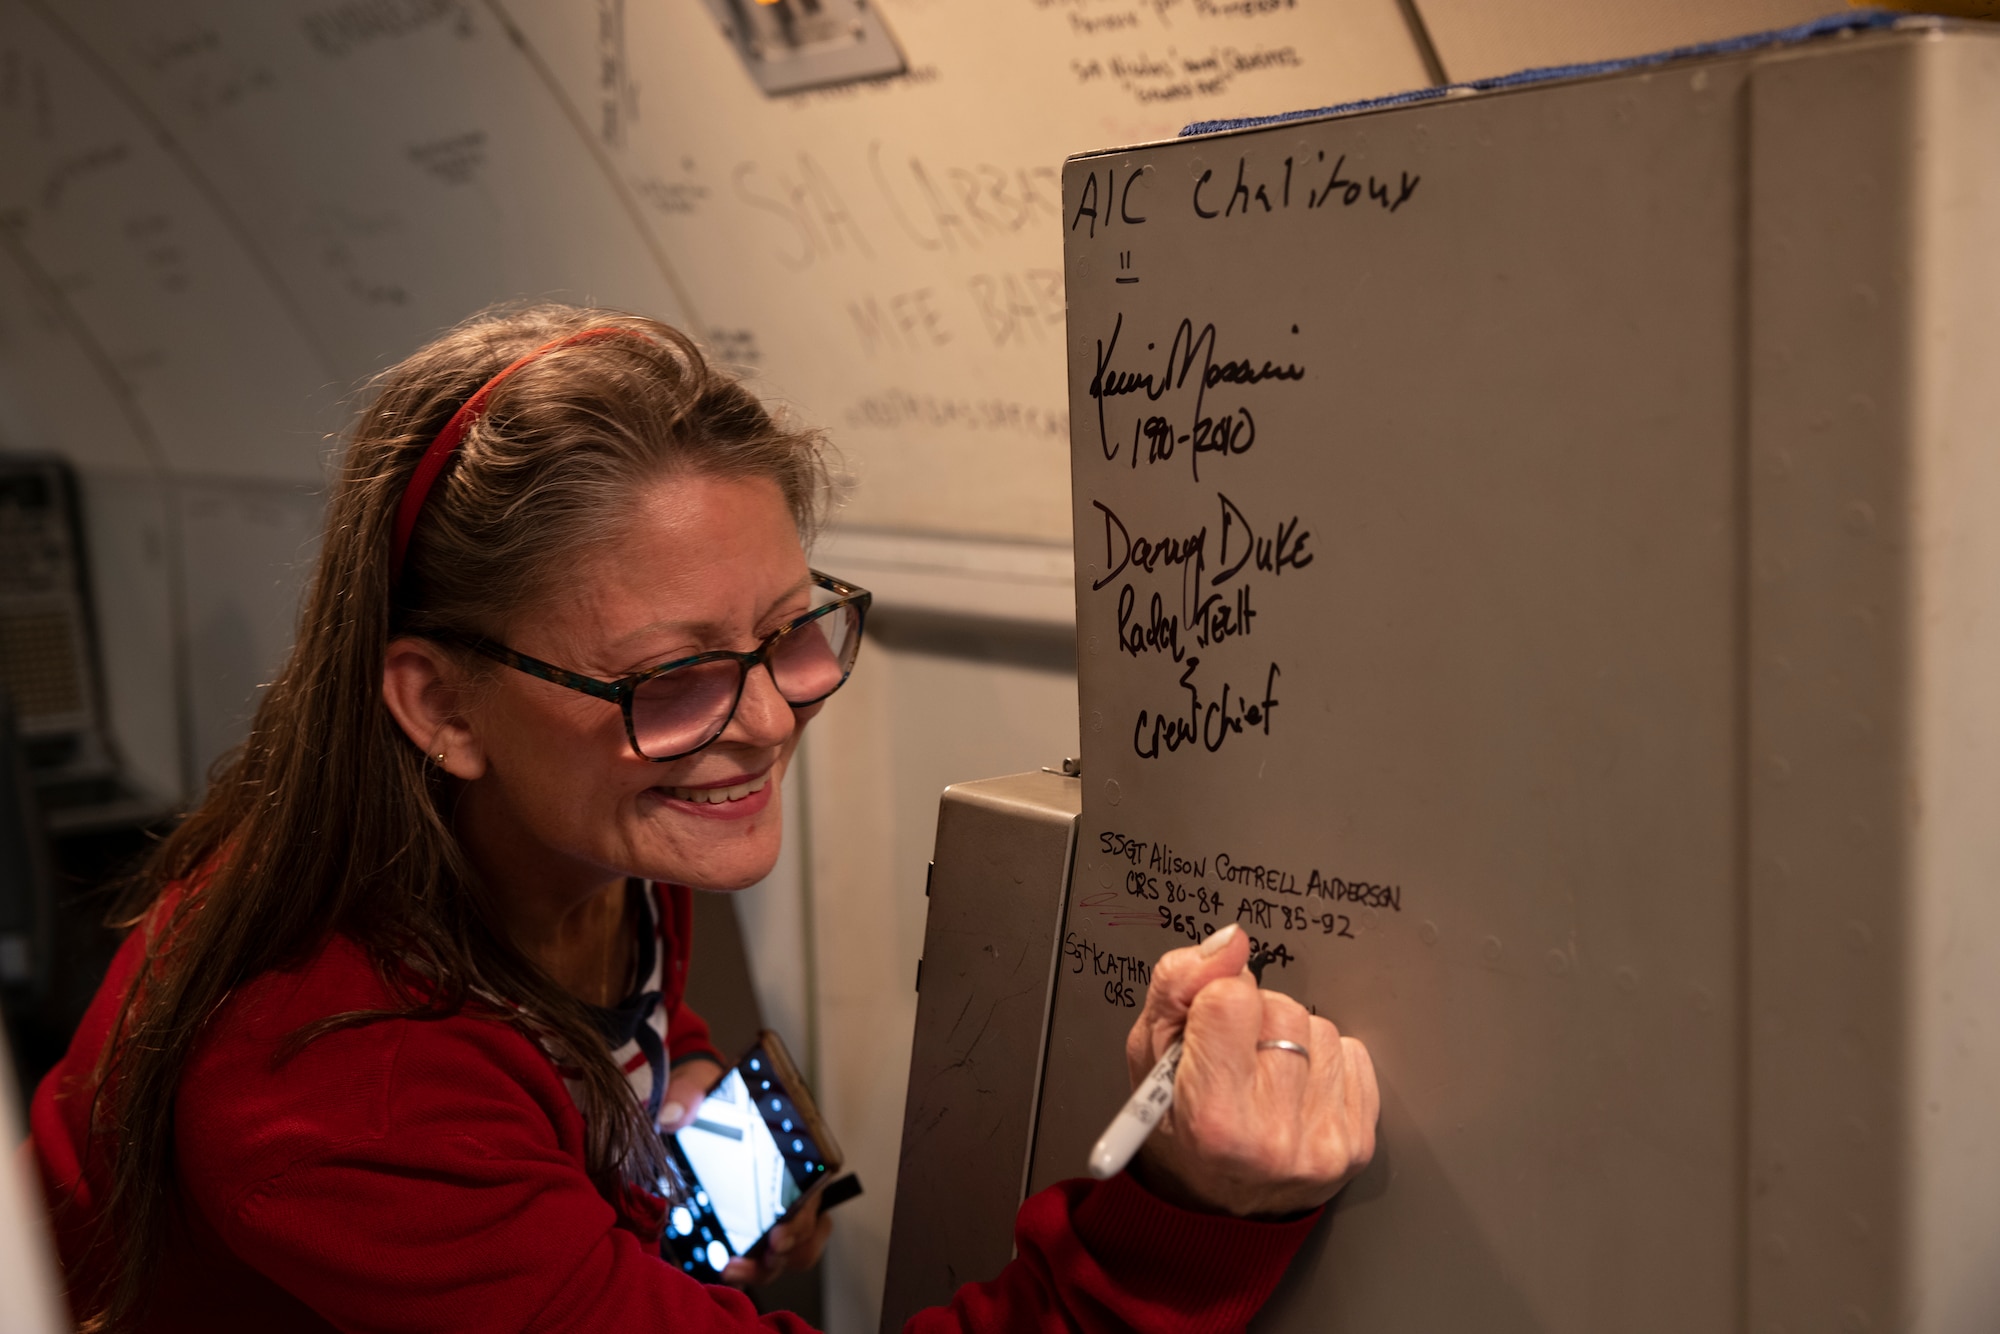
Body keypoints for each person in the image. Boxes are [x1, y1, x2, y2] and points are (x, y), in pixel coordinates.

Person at [30, 304, 1380, 1332]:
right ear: (440, 706)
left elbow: (628, 1026)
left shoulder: (585, 822)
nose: (772, 721)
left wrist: (685, 1116)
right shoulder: (340, 1079)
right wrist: (1187, 1208)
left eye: (794, 633)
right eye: (672, 675)